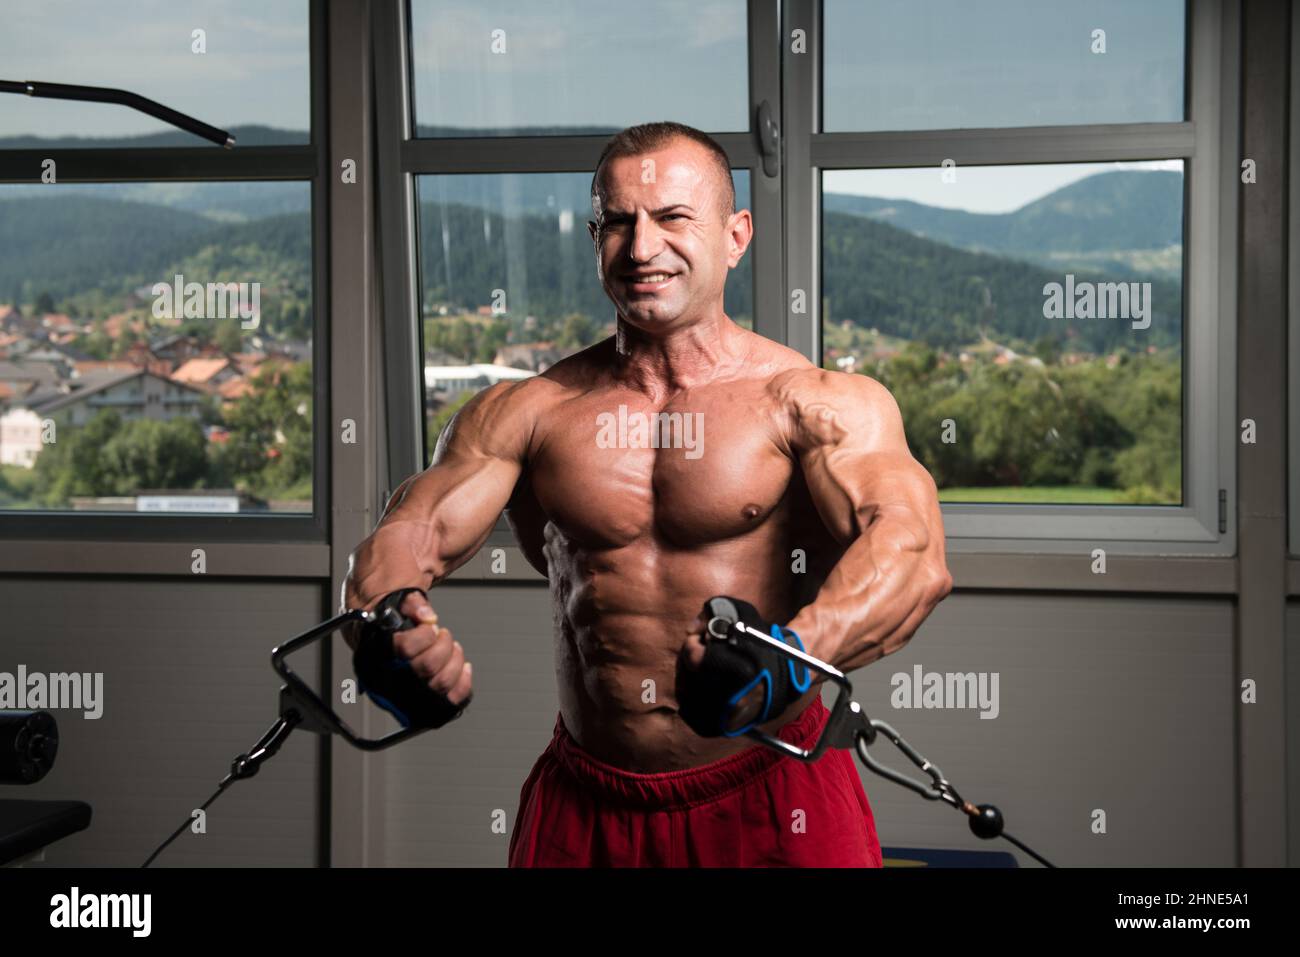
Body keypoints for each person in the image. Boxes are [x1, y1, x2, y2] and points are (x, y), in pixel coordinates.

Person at [341, 121, 953, 867]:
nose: (640, 248)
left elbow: (910, 549)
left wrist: (795, 655)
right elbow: (413, 527)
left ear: (735, 236)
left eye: (671, 219)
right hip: (588, 803)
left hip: (773, 790)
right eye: (616, 222)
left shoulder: (812, 401)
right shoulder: (530, 410)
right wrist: (383, 625)